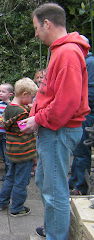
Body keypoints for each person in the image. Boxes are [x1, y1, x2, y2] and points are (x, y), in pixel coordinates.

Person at [21, 3, 90, 239]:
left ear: (47, 24)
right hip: (53, 130)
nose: (36, 33)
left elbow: (66, 103)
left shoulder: (68, 53)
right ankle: (53, 228)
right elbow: (52, 94)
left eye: (36, 28)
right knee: (45, 182)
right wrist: (35, 113)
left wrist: (37, 120)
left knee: (55, 190)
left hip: (57, 131)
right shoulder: (62, 51)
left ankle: (56, 235)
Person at [0, 77, 38, 217]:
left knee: (10, 178)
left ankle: (1, 202)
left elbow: (11, 123)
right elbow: (26, 129)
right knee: (21, 181)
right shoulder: (22, 113)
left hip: (12, 150)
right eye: (31, 97)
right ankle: (17, 207)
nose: (32, 100)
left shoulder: (9, 108)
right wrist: (33, 114)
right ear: (24, 94)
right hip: (23, 152)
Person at [69, 35, 94, 195]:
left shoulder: (89, 63)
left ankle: (81, 187)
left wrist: (74, 103)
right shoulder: (85, 61)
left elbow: (90, 92)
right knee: (78, 150)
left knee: (82, 150)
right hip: (81, 114)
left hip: (86, 114)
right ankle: (73, 182)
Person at [30, 68, 46, 177]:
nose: (39, 79)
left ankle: (37, 167)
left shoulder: (45, 90)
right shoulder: (35, 90)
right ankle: (35, 166)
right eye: (38, 77)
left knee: (38, 146)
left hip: (40, 120)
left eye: (42, 77)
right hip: (33, 120)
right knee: (33, 145)